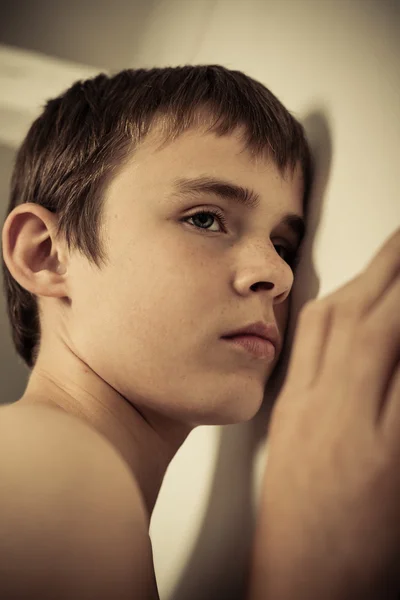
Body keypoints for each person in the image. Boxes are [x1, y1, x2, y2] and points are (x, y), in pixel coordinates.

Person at [0, 64, 398, 599]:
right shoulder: (54, 466)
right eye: (205, 219)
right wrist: (309, 568)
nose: (277, 275)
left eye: (285, 247)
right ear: (45, 254)